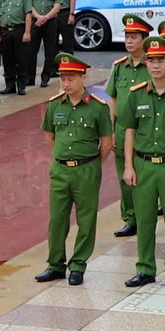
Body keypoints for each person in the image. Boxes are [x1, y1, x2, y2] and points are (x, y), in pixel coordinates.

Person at [118, 37, 165, 290]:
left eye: (161, 60)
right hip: (144, 165)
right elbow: (129, 130)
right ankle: (145, 268)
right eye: (151, 60)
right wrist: (128, 166)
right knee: (145, 218)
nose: (155, 66)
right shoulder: (136, 93)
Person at [34, 56, 114, 285]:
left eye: (71, 78)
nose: (66, 83)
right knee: (57, 219)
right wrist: (63, 157)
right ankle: (55, 264)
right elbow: (50, 136)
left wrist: (92, 165)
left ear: (83, 78)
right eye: (63, 79)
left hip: (87, 169)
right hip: (60, 170)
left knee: (86, 219)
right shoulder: (55, 104)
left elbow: (106, 142)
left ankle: (78, 265)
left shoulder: (97, 107)